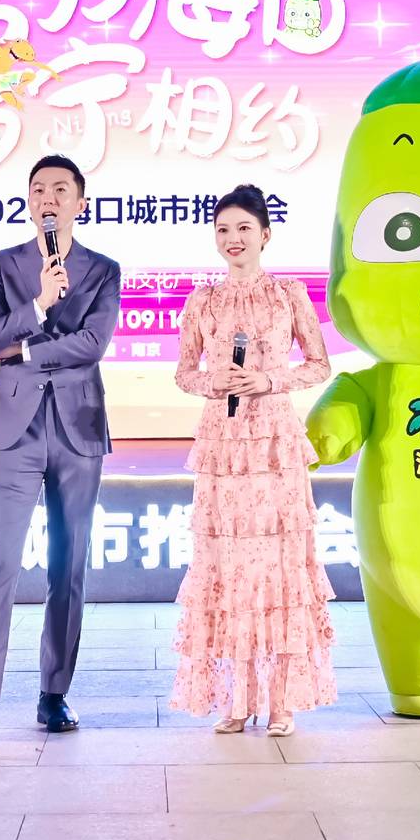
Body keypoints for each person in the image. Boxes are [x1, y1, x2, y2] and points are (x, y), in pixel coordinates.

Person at [0, 155, 122, 739]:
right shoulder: (3, 264)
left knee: (67, 565)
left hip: (79, 427)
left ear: (80, 202)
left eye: (60, 190)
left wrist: (22, 350)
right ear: (29, 202)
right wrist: (39, 306)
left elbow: (92, 343)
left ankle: (54, 694)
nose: (48, 198)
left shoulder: (103, 269)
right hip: (15, 429)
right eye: (38, 189)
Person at [170, 184, 339, 736]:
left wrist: (268, 379)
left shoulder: (288, 295)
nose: (233, 239)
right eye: (223, 230)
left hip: (274, 443)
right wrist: (212, 381)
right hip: (223, 444)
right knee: (229, 569)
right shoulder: (203, 301)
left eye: (244, 228)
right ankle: (237, 701)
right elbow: (184, 372)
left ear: (265, 235)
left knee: (279, 569)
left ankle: (281, 704)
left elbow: (319, 365)